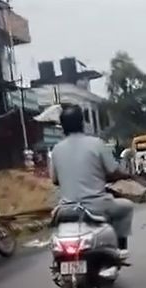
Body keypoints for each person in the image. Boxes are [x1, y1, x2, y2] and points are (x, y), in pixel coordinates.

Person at [51, 104, 134, 259]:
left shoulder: (56, 149)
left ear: (62, 127)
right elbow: (112, 171)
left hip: (66, 209)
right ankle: (120, 248)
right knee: (126, 207)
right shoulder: (96, 143)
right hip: (96, 206)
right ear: (82, 123)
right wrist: (125, 176)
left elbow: (55, 180)